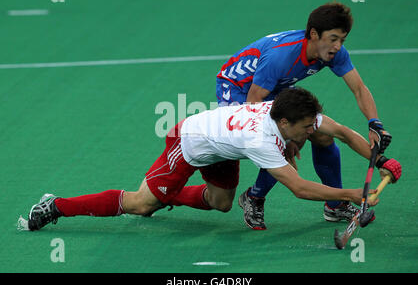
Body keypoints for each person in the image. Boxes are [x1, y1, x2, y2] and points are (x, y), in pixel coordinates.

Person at [23, 88, 401, 233]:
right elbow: (299, 189)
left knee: (220, 204)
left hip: (221, 146)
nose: (308, 133)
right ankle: (55, 206)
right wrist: (352, 192)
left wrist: (380, 160)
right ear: (284, 123)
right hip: (189, 141)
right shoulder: (262, 140)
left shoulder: (294, 112)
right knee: (140, 205)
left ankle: (162, 196)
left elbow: (340, 132)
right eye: (302, 129)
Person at [215, 2, 393, 230]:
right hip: (238, 88)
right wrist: (286, 138)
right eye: (333, 38)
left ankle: (335, 205)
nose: (338, 46)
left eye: (342, 40)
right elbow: (253, 103)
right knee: (275, 139)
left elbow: (359, 88)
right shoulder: (281, 57)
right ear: (314, 34)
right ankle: (254, 197)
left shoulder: (332, 52)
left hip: (276, 86)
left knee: (321, 135)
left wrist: (374, 123)